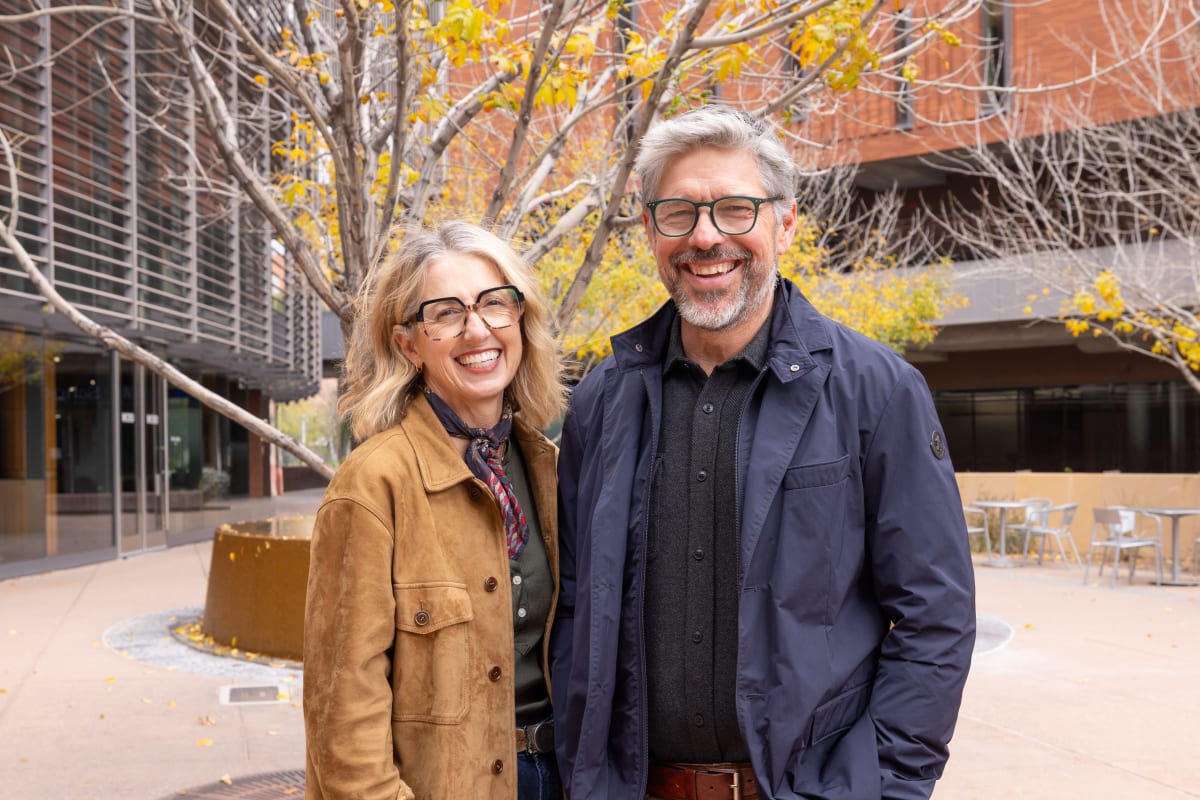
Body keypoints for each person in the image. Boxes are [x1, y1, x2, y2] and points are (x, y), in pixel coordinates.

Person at [550, 105, 976, 800]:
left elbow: (935, 617)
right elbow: (575, 613)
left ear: (786, 223)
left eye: (734, 209)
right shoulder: (601, 401)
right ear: (652, 231)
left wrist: (882, 785)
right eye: (679, 214)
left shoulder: (876, 390)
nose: (706, 237)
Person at [304, 221, 567, 799]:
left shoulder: (548, 467)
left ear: (519, 320)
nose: (477, 329)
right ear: (409, 345)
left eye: (495, 304)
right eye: (446, 313)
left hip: (563, 777)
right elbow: (342, 708)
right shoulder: (374, 485)